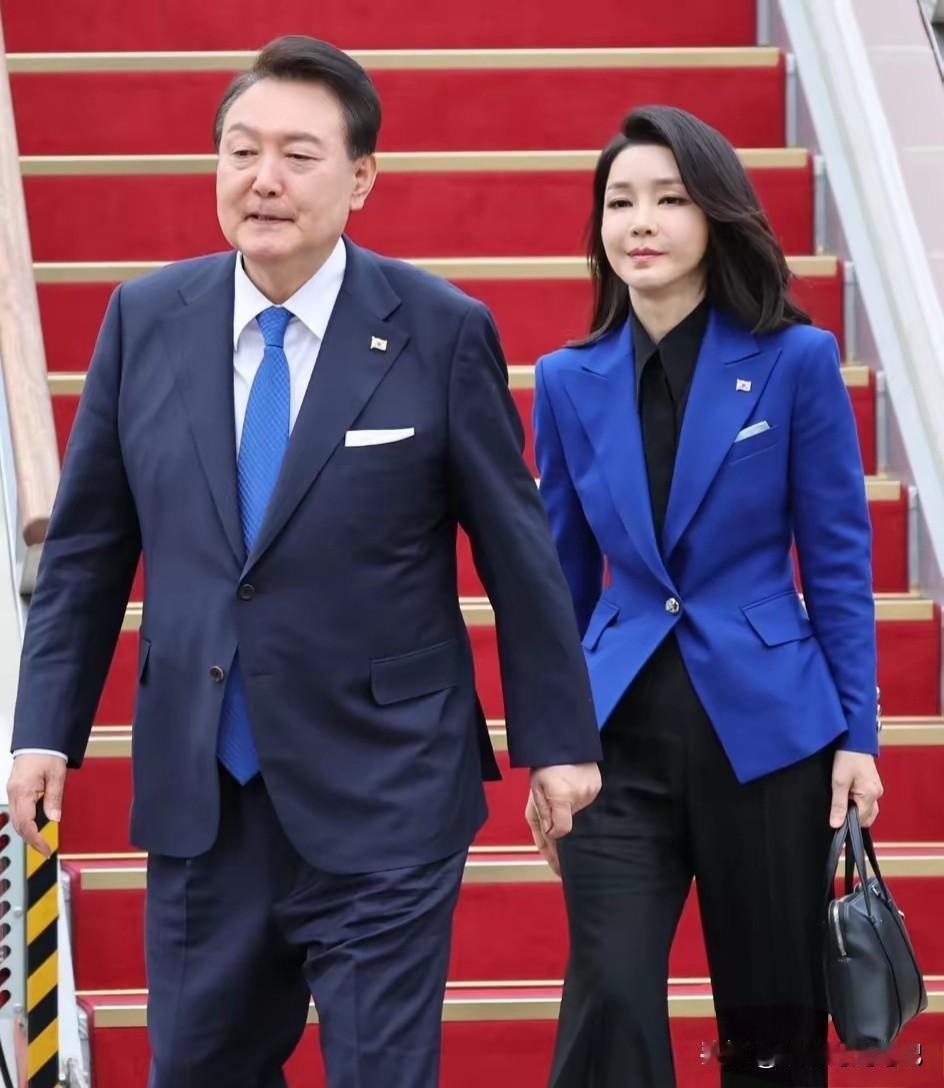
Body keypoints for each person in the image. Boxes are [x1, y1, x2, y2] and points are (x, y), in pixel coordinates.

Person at [7, 35, 602, 1088]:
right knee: (199, 1068)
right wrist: (43, 727)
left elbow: (518, 553)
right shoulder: (145, 320)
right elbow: (89, 550)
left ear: (361, 178)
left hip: (387, 782)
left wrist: (555, 740)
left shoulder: (437, 329)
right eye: (241, 151)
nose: (263, 179)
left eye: (297, 154)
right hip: (205, 790)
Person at [528, 105, 884, 1087]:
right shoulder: (565, 380)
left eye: (668, 199)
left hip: (767, 734)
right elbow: (559, 577)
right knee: (607, 991)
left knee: (769, 1015)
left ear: (715, 214)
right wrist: (552, 743)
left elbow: (837, 560)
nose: (639, 222)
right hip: (615, 740)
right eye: (619, 202)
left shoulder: (793, 360)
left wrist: (858, 735)